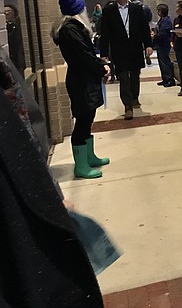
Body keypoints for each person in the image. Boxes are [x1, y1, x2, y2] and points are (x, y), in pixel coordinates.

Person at [0, 46, 104, 306]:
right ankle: (83, 162)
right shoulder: (70, 29)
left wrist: (49, 192)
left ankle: (86, 158)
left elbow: (28, 131)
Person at [52, 0, 110, 179]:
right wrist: (102, 69)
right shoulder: (71, 30)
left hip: (83, 78)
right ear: (77, 11)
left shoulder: (72, 28)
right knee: (83, 121)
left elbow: (86, 56)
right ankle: (81, 166)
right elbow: (84, 57)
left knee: (88, 118)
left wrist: (99, 65)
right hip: (81, 81)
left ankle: (89, 157)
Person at [99, 0, 153, 120]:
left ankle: (134, 97)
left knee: (135, 75)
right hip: (119, 48)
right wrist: (104, 53)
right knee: (123, 77)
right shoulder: (108, 11)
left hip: (135, 47)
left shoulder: (137, 9)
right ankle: (127, 106)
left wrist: (148, 45)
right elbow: (104, 33)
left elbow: (144, 28)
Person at [154, 3, 175, 87]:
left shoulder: (166, 20)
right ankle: (165, 78)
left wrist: (154, 36)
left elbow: (163, 33)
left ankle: (169, 79)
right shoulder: (162, 20)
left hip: (164, 44)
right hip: (160, 44)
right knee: (161, 62)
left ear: (160, 11)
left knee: (165, 62)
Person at [130, 0, 153, 65]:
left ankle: (137, 58)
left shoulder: (130, 7)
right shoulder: (145, 7)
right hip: (145, 26)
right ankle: (147, 54)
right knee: (146, 41)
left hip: (135, 28)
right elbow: (150, 16)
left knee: (136, 43)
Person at [4, 3, 26, 75]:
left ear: (14, 12)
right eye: (4, 12)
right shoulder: (3, 27)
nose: (6, 13)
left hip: (19, 52)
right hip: (9, 53)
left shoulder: (19, 23)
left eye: (8, 11)